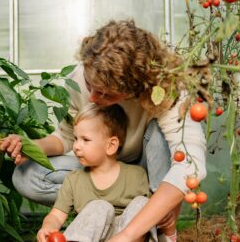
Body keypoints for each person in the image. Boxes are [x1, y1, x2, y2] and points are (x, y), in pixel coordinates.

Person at [1, 20, 207, 241]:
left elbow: (189, 165)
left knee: (162, 138)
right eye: (90, 87)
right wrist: (31, 146)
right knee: (27, 175)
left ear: (135, 89)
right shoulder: (81, 77)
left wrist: (127, 235)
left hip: (146, 177)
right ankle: (105, 215)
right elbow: (67, 136)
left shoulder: (166, 89)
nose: (91, 99)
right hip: (102, 165)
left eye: (106, 95)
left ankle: (152, 222)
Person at [37, 103, 155, 242]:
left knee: (143, 203)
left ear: (111, 146)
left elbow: (155, 216)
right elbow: (56, 216)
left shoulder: (136, 175)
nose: (76, 146)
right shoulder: (74, 179)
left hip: (127, 237)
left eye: (85, 140)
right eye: (75, 138)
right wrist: (47, 227)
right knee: (99, 206)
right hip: (92, 238)